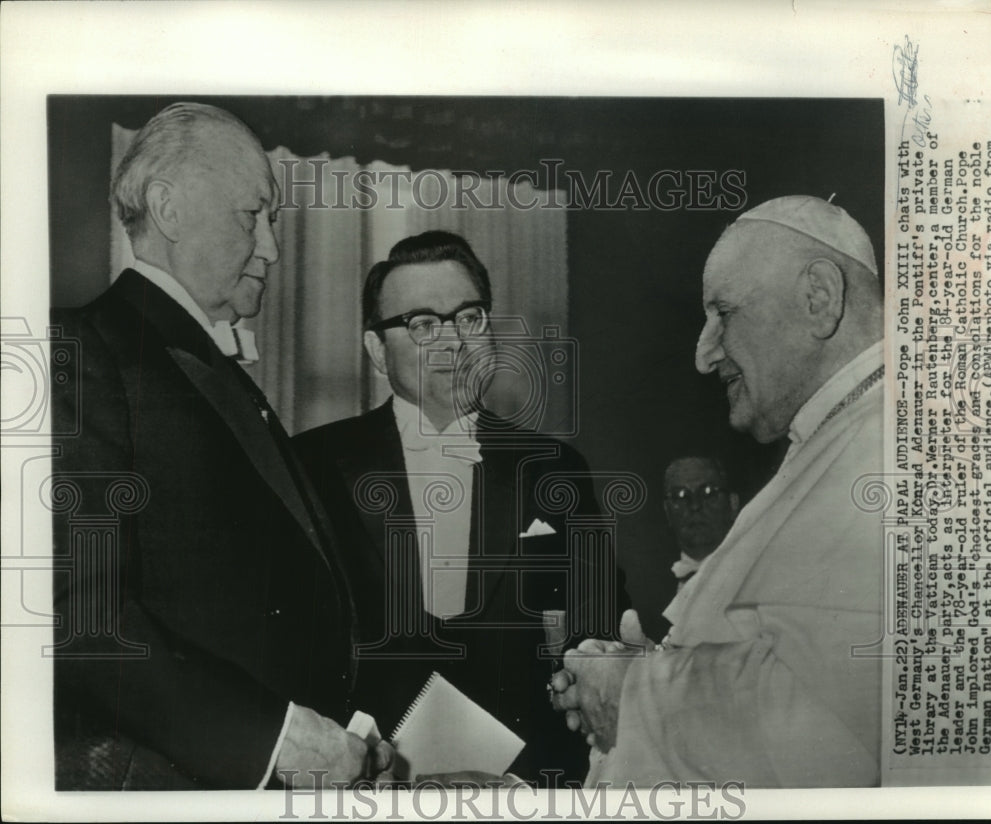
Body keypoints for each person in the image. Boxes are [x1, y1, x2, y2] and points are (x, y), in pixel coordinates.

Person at [49, 102, 391, 790]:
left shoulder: (197, 361)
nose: (270, 247)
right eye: (252, 215)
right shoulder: (82, 352)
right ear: (168, 210)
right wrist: (272, 743)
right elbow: (78, 615)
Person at [551, 195, 885, 787]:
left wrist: (634, 690)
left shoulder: (888, 447)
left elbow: (835, 733)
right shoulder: (836, 437)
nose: (704, 356)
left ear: (819, 298)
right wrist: (653, 664)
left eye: (723, 313)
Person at [295, 230, 628, 784]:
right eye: (423, 324)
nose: (452, 342)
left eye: (468, 318)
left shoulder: (555, 469)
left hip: (524, 793)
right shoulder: (312, 466)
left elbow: (598, 640)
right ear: (377, 350)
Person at [662, 455, 740, 590]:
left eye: (708, 492)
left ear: (733, 504)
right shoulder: (643, 590)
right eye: (680, 495)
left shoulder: (761, 574)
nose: (695, 505)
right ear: (667, 511)